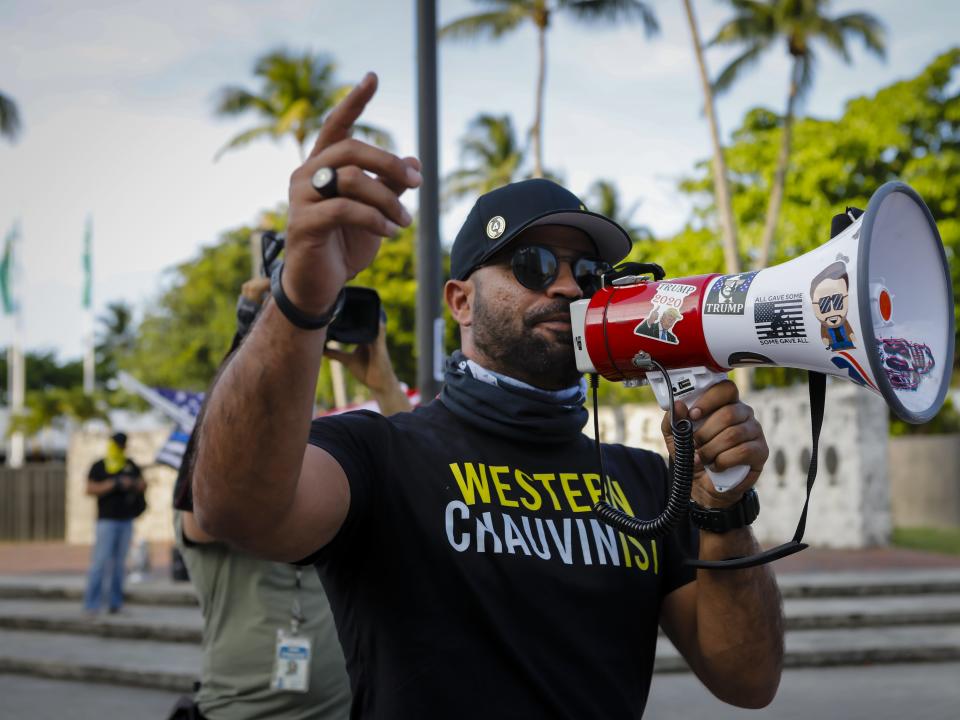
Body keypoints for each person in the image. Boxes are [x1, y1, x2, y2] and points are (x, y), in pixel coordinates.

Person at [192, 74, 784, 718]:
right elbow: (234, 510)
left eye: (587, 273)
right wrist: (303, 293)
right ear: (461, 300)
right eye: (532, 265)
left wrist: (722, 510)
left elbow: (746, 681)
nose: (566, 289)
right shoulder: (381, 455)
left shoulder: (651, 483)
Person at [173, 275, 411, 720]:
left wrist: (386, 387)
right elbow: (214, 474)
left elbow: (421, 483)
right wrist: (249, 338)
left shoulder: (329, 496)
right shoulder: (212, 500)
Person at [83, 431, 146, 615]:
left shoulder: (130, 464)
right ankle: (91, 605)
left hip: (126, 520)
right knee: (100, 563)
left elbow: (143, 484)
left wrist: (132, 483)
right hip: (106, 521)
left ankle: (115, 604)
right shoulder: (100, 465)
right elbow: (89, 488)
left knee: (120, 565)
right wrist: (114, 483)